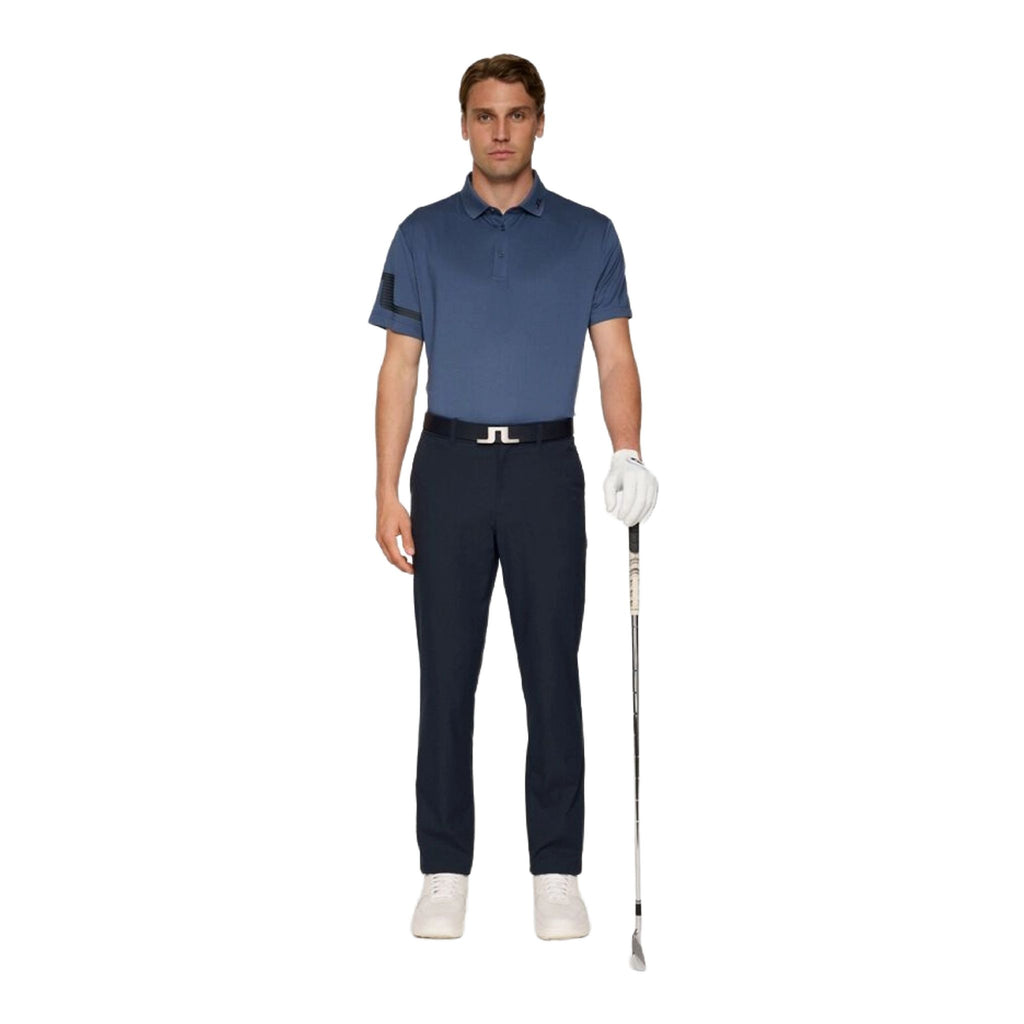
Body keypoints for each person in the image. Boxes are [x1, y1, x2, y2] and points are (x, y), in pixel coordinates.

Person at [370, 54, 658, 941]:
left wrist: (628, 450)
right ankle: (444, 871)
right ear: (463, 124)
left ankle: (556, 872)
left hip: (544, 469)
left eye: (517, 114)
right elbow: (399, 369)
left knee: (551, 675)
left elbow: (614, 357)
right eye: (485, 115)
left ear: (540, 122)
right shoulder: (421, 234)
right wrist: (385, 487)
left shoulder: (589, 235)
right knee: (446, 676)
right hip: (450, 467)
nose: (501, 131)